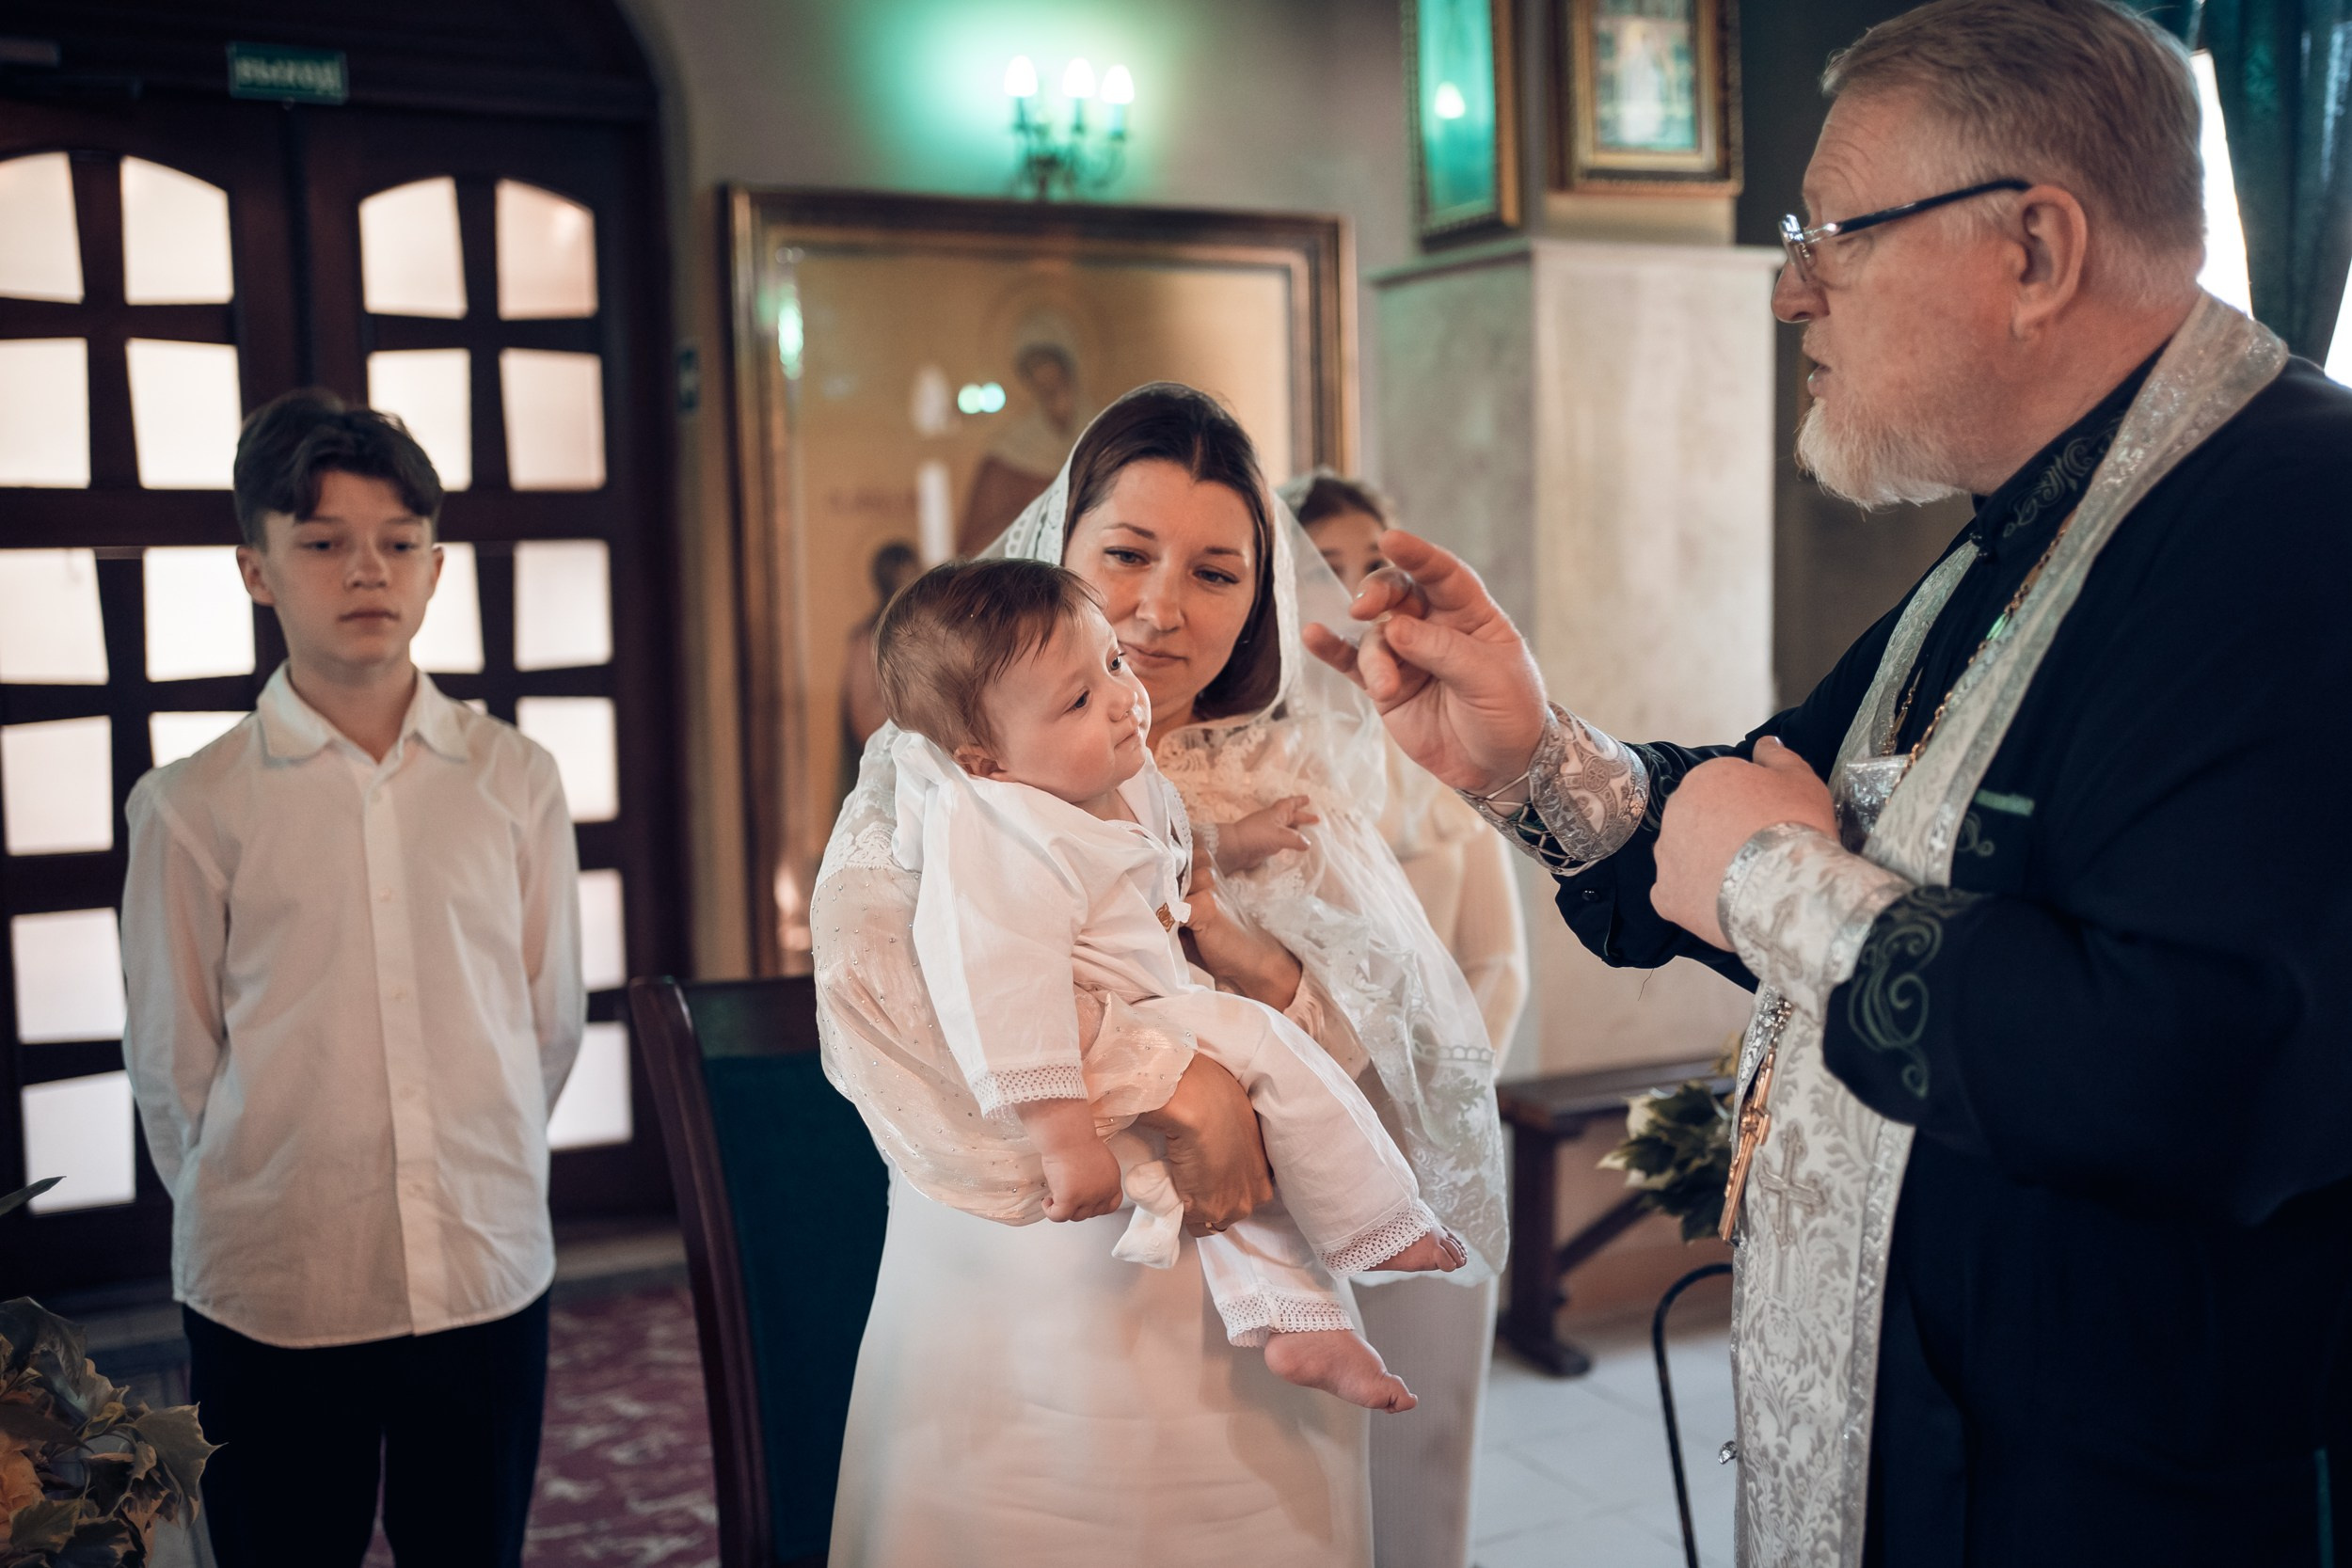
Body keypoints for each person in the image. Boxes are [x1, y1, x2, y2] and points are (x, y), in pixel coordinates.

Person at [1308, 1, 2352, 1562]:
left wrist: (1778, 878)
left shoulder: (2295, 526)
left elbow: (2179, 1067)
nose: (1792, 289)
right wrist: (1532, 753)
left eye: (1832, 231)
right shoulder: (2029, 529)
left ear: (2035, 251)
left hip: (2110, 1482)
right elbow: (1775, 805)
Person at [815, 383, 1505, 1566]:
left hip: (1254, 1338)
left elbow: (1395, 1057)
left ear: (1260, 602)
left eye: (1216, 573)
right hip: (1016, 1301)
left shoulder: (1289, 790)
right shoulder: (929, 782)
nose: (1157, 610)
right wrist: (1183, 1087)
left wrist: (1239, 951)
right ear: (1059, 550)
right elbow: (894, 1024)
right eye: (1126, 554)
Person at [121, 389, 582, 1568]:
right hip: (277, 1281)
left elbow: (547, 1019)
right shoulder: (193, 804)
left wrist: (483, 1161)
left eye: (398, 542)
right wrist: (249, 1193)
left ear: (434, 569)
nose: (366, 570)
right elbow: (175, 1066)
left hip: (482, 1261)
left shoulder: (513, 778)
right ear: (257, 569)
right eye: (322, 542)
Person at [868, 555, 1465, 1410]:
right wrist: (1064, 1132)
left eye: (1109, 664)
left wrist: (1239, 837)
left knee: (1247, 1160)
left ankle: (1300, 1323)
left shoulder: (1094, 767)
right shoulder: (990, 834)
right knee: (1265, 1045)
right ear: (984, 761)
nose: (1120, 697)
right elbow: (1000, 989)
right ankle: (1377, 1221)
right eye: (1077, 699)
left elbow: (1167, 854)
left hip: (1156, 996)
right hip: (1106, 1038)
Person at [1285, 468, 1530, 1568]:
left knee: (1426, 1422)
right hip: (1294, 1140)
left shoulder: (1435, 756)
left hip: (1432, 1130)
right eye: (1320, 565)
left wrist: (1433, 1092)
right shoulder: (1253, 752)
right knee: (1302, 1434)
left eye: (1364, 567)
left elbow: (1497, 961)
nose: (1347, 590)